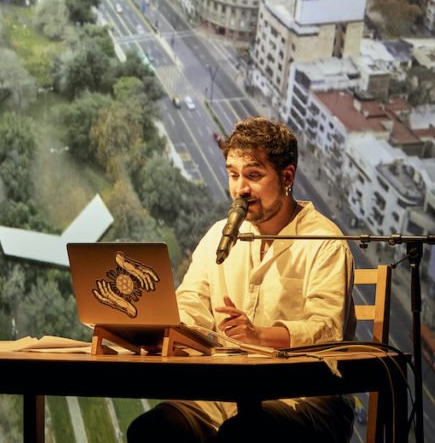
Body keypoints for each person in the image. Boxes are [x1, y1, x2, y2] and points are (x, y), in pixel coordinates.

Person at [127, 117, 356, 442]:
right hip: (220, 396)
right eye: (233, 175)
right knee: (152, 429)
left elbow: (327, 331)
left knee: (245, 433)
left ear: (287, 176)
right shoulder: (219, 235)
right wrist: (163, 329)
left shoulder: (324, 241)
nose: (240, 189)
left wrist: (260, 335)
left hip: (302, 400)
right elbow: (192, 302)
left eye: (253, 175)